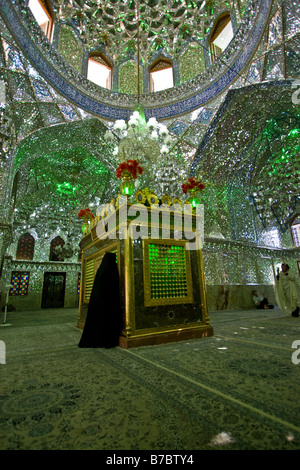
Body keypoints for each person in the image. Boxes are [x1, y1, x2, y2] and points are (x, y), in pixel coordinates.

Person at [78, 252, 122, 348]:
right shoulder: (111, 268)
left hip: (97, 300)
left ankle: (96, 340)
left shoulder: (101, 269)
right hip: (107, 302)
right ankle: (105, 340)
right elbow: (113, 288)